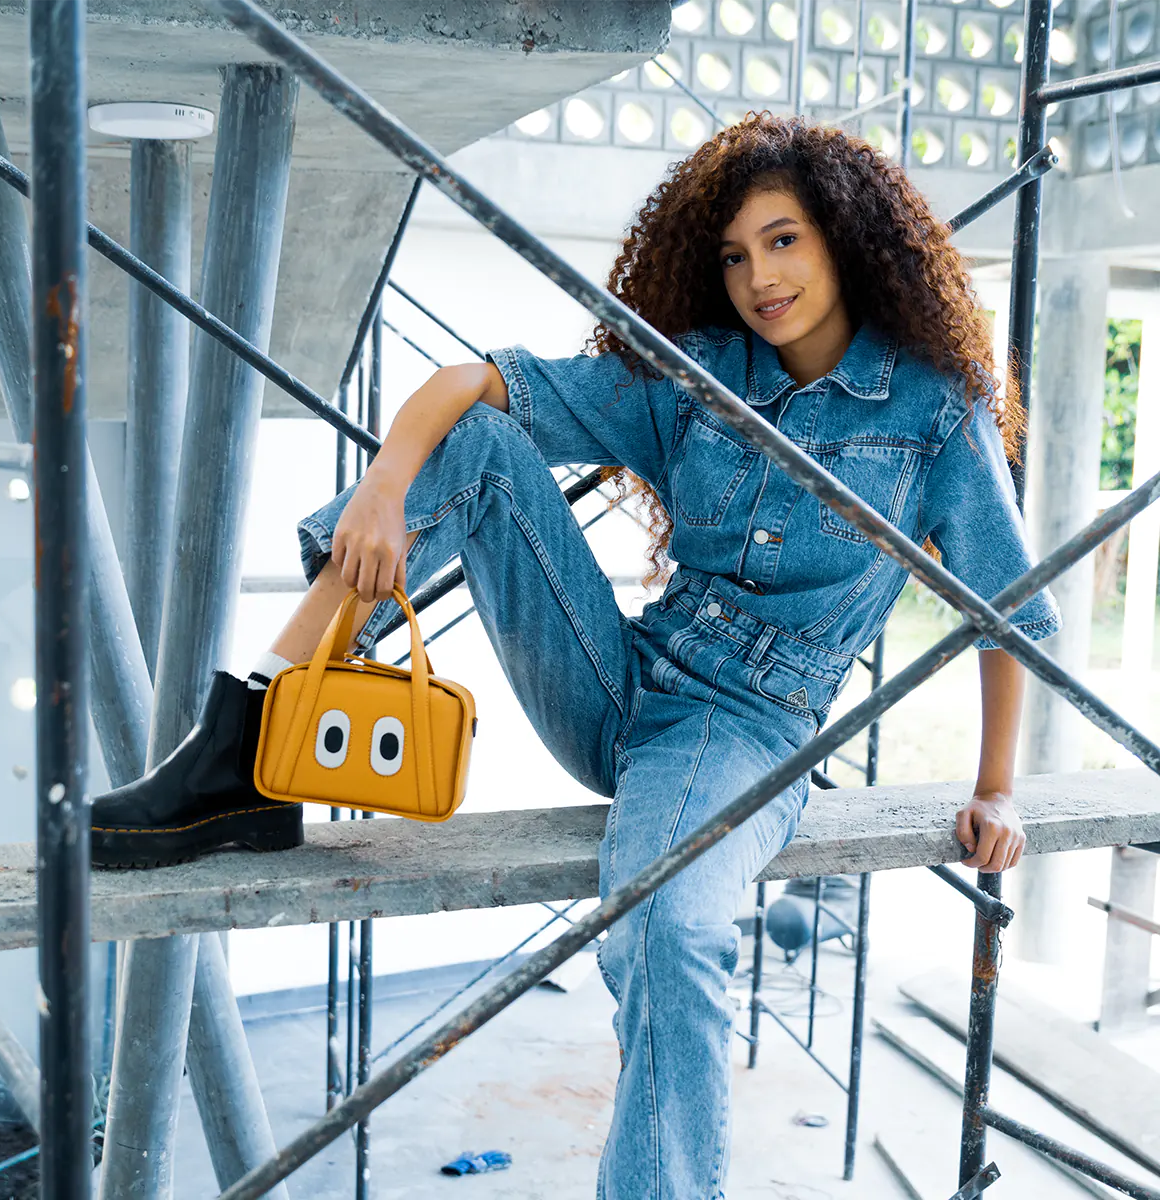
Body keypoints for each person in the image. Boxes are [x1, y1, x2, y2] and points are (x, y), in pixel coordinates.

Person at [90, 113, 1061, 1198]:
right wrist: (383, 484)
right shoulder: (704, 376)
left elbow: (1009, 608)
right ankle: (246, 739)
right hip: (618, 678)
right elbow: (477, 384)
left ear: (846, 238)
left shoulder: (934, 413)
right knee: (478, 446)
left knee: (668, 930)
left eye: (783, 240)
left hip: (742, 730)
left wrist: (996, 788)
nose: (758, 278)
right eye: (734, 255)